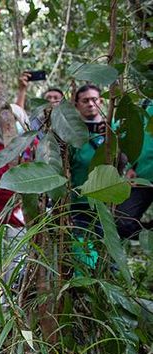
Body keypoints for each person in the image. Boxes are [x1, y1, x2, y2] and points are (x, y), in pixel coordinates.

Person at [69, 84, 110, 230]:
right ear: (76, 105)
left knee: (102, 244)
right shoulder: (70, 134)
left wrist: (108, 137)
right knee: (79, 244)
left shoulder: (114, 129)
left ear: (101, 102)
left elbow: (124, 162)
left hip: (106, 200)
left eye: (94, 99)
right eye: (85, 101)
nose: (91, 104)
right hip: (78, 201)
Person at [116, 100, 153, 238]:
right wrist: (130, 166)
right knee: (122, 222)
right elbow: (133, 135)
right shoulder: (147, 102)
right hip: (142, 174)